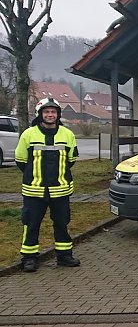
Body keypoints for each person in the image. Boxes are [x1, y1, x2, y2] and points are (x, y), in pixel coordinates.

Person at [15, 97, 80, 272]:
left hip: (60, 190)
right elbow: (21, 160)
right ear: (40, 114)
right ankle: (29, 258)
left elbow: (71, 160)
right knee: (31, 224)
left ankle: (64, 256)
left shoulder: (67, 135)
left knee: (62, 223)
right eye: (46, 112)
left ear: (58, 114)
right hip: (34, 191)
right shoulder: (28, 134)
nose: (50, 115)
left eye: (53, 112)